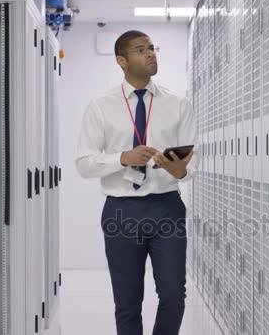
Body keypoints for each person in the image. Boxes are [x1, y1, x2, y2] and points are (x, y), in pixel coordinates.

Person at [75, 30, 199, 335]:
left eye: (152, 48)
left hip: (166, 207)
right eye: (141, 49)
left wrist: (179, 169)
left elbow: (192, 163)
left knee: (173, 295)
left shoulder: (178, 104)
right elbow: (84, 164)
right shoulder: (100, 107)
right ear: (121, 60)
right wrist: (122, 159)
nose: (150, 54)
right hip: (121, 210)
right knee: (127, 301)